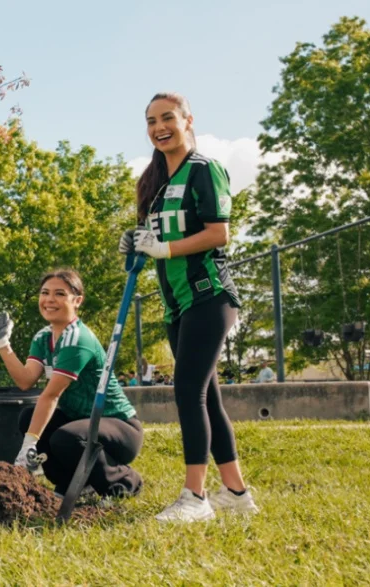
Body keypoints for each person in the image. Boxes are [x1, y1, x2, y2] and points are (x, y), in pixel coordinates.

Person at [119, 91, 259, 522]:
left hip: (209, 295)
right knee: (208, 398)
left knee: (188, 391)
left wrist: (165, 249)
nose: (158, 127)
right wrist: (137, 244)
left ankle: (194, 498)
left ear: (187, 120)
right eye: (150, 121)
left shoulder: (204, 170)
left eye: (167, 118)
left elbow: (218, 233)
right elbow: (154, 241)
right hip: (177, 305)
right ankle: (235, 493)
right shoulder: (156, 183)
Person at [0, 269, 144, 500]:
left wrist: (27, 446)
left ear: (77, 300)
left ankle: (122, 482)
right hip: (81, 421)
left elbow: (51, 396)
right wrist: (2, 344)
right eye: (45, 293)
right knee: (29, 417)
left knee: (66, 437)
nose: (50, 300)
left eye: (60, 294)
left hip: (119, 427)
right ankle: (73, 484)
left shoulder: (77, 339)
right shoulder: (43, 337)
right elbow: (25, 380)